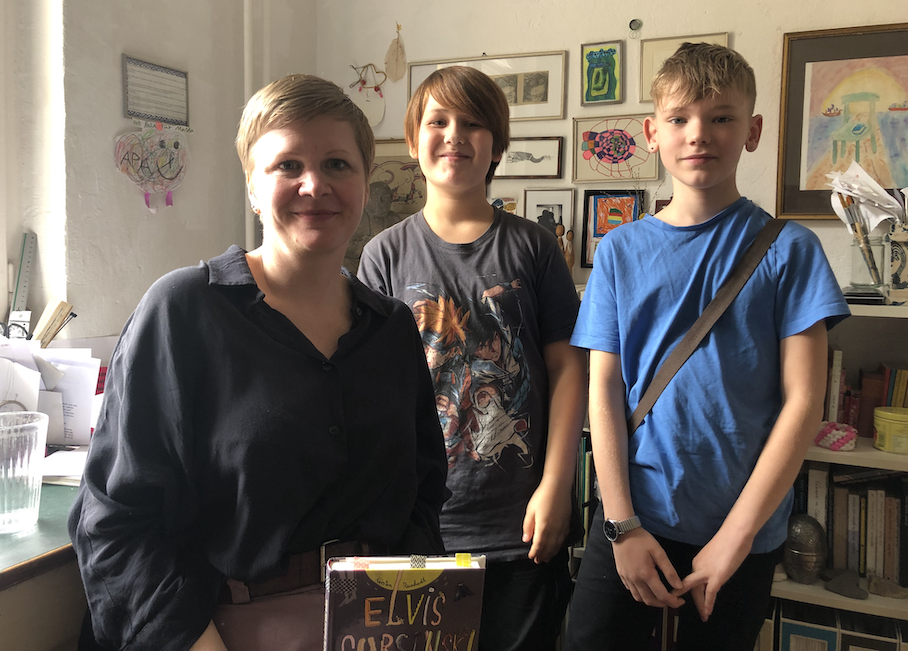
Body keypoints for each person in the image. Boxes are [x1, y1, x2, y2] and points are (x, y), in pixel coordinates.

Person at [68, 74, 448, 651]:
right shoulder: (183, 311)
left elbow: (422, 492)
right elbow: (114, 520)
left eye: (337, 164)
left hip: (377, 626)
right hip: (220, 632)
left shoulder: (391, 328)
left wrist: (407, 619)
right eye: (288, 165)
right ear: (252, 186)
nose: (314, 185)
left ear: (365, 180)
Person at [564, 43, 850, 651]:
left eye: (721, 117)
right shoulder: (618, 252)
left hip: (742, 531)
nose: (699, 134)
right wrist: (621, 524)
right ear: (652, 134)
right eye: (679, 118)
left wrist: (735, 539)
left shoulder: (791, 250)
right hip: (633, 518)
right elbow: (604, 390)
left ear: (752, 130)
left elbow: (804, 403)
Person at [358, 66, 587, 651]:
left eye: (473, 123)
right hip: (419, 531)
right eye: (438, 121)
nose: (454, 135)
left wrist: (557, 485)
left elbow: (568, 370)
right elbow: (369, 393)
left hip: (521, 528)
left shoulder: (534, 247)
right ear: (413, 142)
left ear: (497, 146)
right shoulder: (383, 256)